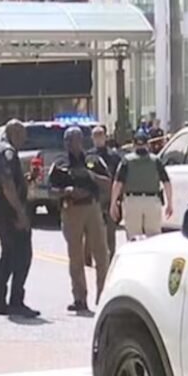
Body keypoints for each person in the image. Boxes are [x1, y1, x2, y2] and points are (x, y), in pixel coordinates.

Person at [49, 127, 111, 312]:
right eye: (68, 140)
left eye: (76, 139)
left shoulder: (93, 160)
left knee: (102, 254)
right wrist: (66, 191)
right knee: (75, 257)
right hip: (71, 210)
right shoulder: (60, 163)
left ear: (82, 141)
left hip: (92, 208)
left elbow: (109, 183)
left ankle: (104, 297)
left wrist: (91, 176)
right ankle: (79, 298)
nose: (72, 143)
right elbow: (50, 190)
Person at [0, 119, 40, 318]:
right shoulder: (8, 152)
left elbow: (10, 183)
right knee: (22, 255)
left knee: (8, 255)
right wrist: (20, 213)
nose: (24, 138)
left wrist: (26, 180)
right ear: (14, 133)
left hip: (2, 206)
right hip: (9, 210)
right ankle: (16, 301)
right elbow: (7, 185)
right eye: (22, 134)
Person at [110, 129, 173, 241]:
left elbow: (118, 183)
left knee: (133, 238)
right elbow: (166, 182)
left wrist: (113, 203)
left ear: (134, 145)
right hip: (152, 201)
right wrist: (170, 203)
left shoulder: (127, 161)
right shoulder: (156, 160)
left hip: (132, 201)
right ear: (147, 144)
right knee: (154, 238)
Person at [85, 126, 122, 261]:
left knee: (110, 230)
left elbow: (120, 177)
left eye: (101, 136)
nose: (98, 139)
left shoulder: (114, 156)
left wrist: (118, 198)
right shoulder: (88, 156)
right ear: (92, 138)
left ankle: (110, 258)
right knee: (91, 230)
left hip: (110, 196)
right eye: (96, 136)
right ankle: (88, 258)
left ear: (105, 137)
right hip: (93, 197)